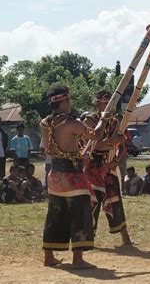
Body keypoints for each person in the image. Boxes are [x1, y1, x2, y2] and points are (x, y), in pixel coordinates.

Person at [41, 85, 110, 269]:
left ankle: (49, 256)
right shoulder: (72, 123)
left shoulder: (44, 123)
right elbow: (95, 135)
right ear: (63, 102)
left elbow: (45, 149)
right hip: (72, 175)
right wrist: (102, 119)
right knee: (80, 212)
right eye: (69, 100)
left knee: (55, 213)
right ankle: (78, 259)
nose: (70, 103)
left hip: (54, 174)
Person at [83, 90, 133, 245]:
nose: (107, 106)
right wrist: (111, 141)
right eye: (104, 102)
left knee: (115, 200)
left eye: (109, 102)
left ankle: (125, 238)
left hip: (109, 165)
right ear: (97, 103)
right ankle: (87, 238)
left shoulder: (116, 121)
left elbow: (123, 146)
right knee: (93, 201)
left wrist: (114, 161)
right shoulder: (89, 121)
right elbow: (93, 144)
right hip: (92, 166)